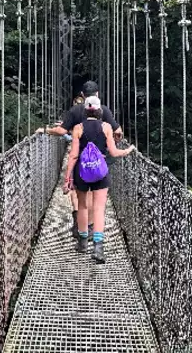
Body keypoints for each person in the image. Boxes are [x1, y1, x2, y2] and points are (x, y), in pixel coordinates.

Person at [44, 81, 124, 245]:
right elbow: (118, 132)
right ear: (97, 94)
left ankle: (81, 232)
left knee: (81, 198)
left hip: (80, 160)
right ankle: (94, 235)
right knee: (97, 199)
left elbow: (62, 132)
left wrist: (46, 130)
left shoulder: (75, 110)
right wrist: (113, 141)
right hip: (99, 161)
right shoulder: (105, 110)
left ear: (82, 95)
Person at [61, 95, 135, 263]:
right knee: (99, 208)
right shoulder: (107, 127)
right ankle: (98, 248)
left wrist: (67, 178)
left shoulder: (78, 128)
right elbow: (115, 152)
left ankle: (82, 243)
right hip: (100, 171)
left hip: (82, 170)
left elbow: (73, 156)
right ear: (100, 110)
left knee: (82, 206)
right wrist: (128, 150)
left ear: (85, 110)